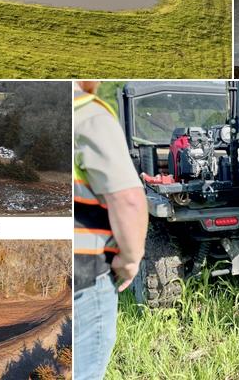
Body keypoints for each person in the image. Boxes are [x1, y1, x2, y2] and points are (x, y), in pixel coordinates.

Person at [73, 81, 148, 380]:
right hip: (84, 274)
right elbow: (128, 199)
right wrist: (130, 261)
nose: (101, 81)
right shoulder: (88, 114)